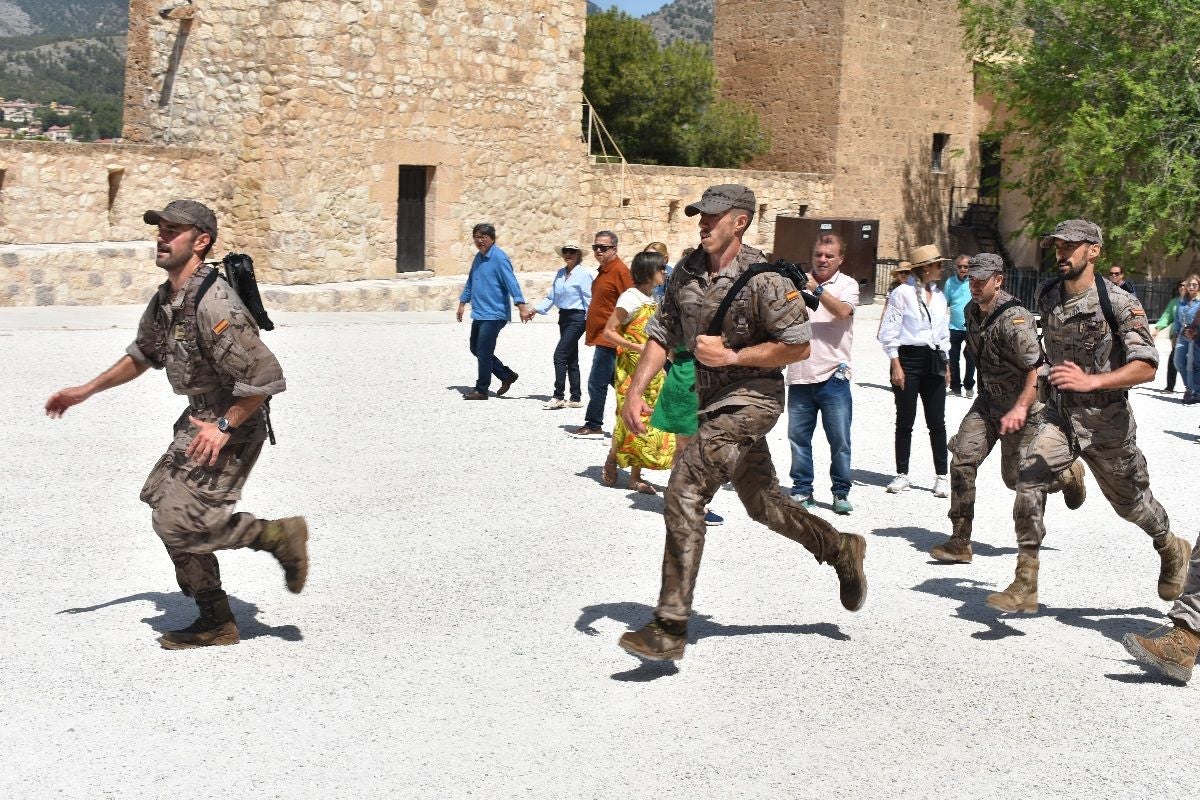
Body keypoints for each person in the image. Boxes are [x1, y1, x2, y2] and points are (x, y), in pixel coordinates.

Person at [615, 183, 867, 661]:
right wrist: (634, 387)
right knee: (761, 503)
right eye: (699, 216)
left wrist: (733, 355)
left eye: (713, 216)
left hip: (753, 398)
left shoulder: (765, 278)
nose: (703, 224)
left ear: (740, 221)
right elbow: (663, 330)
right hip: (708, 400)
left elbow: (797, 345)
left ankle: (669, 625)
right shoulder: (688, 267)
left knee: (685, 489)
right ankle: (839, 549)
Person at [44, 200, 308, 650]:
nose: (161, 238)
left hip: (232, 423)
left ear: (200, 241)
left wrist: (223, 425)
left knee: (178, 522)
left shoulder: (214, 302)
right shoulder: (170, 297)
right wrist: (85, 391)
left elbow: (264, 378)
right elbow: (143, 355)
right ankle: (216, 620)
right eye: (160, 230)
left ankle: (277, 535)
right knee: (162, 502)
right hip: (199, 418)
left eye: (173, 231)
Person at [992, 219, 1189, 614]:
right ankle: (1025, 581)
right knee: (1028, 477)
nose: (1061, 253)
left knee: (1131, 505)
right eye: (1057, 246)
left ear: (1093, 250)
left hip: (1107, 425)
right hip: (1061, 416)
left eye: (1070, 246)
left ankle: (1170, 546)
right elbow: (1046, 356)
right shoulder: (1048, 294)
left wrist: (1092, 381)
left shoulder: (1118, 303)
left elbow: (1147, 366)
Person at [927, 254, 1086, 564]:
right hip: (988, 402)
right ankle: (960, 540)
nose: (974, 284)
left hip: (1024, 407)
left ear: (998, 280)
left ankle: (1066, 474)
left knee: (1017, 479)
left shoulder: (1015, 319)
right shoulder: (970, 311)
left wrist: (1020, 408)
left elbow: (1036, 368)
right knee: (962, 460)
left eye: (981, 279)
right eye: (971, 278)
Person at [785, 232, 858, 514]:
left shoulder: (848, 285)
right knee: (798, 438)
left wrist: (815, 289)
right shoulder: (796, 282)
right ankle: (802, 489)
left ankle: (841, 492)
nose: (823, 259)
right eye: (818, 255)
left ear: (841, 259)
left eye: (829, 255)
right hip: (801, 372)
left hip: (834, 375)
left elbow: (841, 311)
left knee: (839, 440)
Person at [877, 244, 951, 496]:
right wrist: (895, 364)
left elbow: (943, 334)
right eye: (938, 264)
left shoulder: (940, 297)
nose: (942, 269)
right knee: (905, 420)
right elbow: (889, 332)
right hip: (908, 359)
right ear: (927, 267)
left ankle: (942, 476)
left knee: (937, 421)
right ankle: (902, 474)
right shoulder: (902, 293)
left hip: (934, 360)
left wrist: (947, 364)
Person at [599, 251, 675, 493]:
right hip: (629, 369)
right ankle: (613, 456)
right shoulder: (629, 299)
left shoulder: (653, 299)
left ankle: (634, 476)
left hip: (652, 370)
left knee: (648, 420)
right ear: (648, 271)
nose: (665, 272)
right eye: (661, 268)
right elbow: (609, 332)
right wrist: (637, 347)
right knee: (627, 418)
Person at [456, 223, 531, 400]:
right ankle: (506, 375)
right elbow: (471, 281)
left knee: (483, 350)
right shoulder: (478, 258)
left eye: (484, 237)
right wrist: (462, 302)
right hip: (480, 312)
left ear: (492, 239)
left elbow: (511, 282)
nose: (480, 240)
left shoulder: (499, 258)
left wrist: (520, 305)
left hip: (495, 313)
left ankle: (481, 389)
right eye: (477, 237)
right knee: (476, 348)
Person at [570, 230, 632, 437]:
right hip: (603, 337)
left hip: (611, 338)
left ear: (614, 249)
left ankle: (594, 423)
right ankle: (636, 419)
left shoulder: (620, 272)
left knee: (597, 383)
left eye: (603, 247)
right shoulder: (604, 271)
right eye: (596, 247)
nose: (598, 251)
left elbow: (631, 301)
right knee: (616, 382)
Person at [525, 242, 592, 409]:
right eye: (565, 251)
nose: (568, 254)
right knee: (571, 357)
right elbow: (552, 296)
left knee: (559, 355)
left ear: (578, 255)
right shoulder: (560, 273)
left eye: (572, 251)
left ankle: (558, 395)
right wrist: (535, 309)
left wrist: (592, 322)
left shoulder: (583, 275)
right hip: (564, 317)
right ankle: (575, 398)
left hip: (578, 318)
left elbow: (590, 299)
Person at [944, 253, 976, 398]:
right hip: (954, 327)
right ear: (956, 267)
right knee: (953, 358)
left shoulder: (974, 282)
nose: (963, 269)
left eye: (966, 266)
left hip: (970, 328)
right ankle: (955, 387)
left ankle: (969, 386)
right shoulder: (950, 283)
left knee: (970, 358)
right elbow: (944, 303)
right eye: (960, 266)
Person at [1171, 273, 1200, 404]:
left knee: (1192, 365)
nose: (1191, 287)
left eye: (1195, 284)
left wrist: (1196, 331)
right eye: (1189, 284)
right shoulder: (1182, 300)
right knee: (1178, 362)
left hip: (1196, 335)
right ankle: (1190, 388)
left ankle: (1194, 392)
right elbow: (1178, 319)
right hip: (1183, 335)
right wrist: (1175, 334)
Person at [1152, 280, 1185, 393]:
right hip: (1177, 336)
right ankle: (1170, 387)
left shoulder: (1195, 301)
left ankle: (1192, 388)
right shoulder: (1175, 302)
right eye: (1180, 285)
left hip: (1193, 337)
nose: (1182, 287)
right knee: (1174, 361)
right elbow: (1167, 316)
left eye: (1185, 285)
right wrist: (1157, 330)